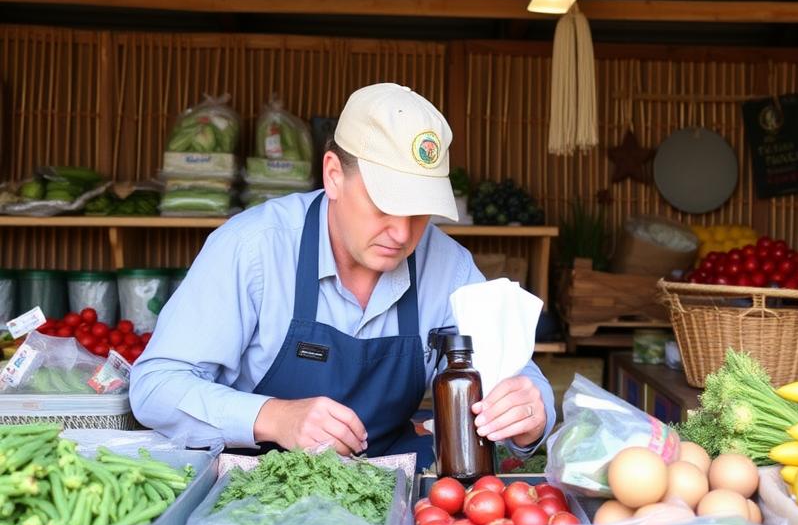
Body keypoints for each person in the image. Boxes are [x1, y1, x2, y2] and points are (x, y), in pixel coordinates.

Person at [130, 83, 555, 468]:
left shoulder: (449, 266)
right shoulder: (253, 247)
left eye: (419, 212)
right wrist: (272, 416)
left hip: (389, 484)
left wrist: (530, 413)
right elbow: (155, 386)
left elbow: (515, 374)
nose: (403, 233)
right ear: (333, 175)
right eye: (385, 206)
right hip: (256, 488)